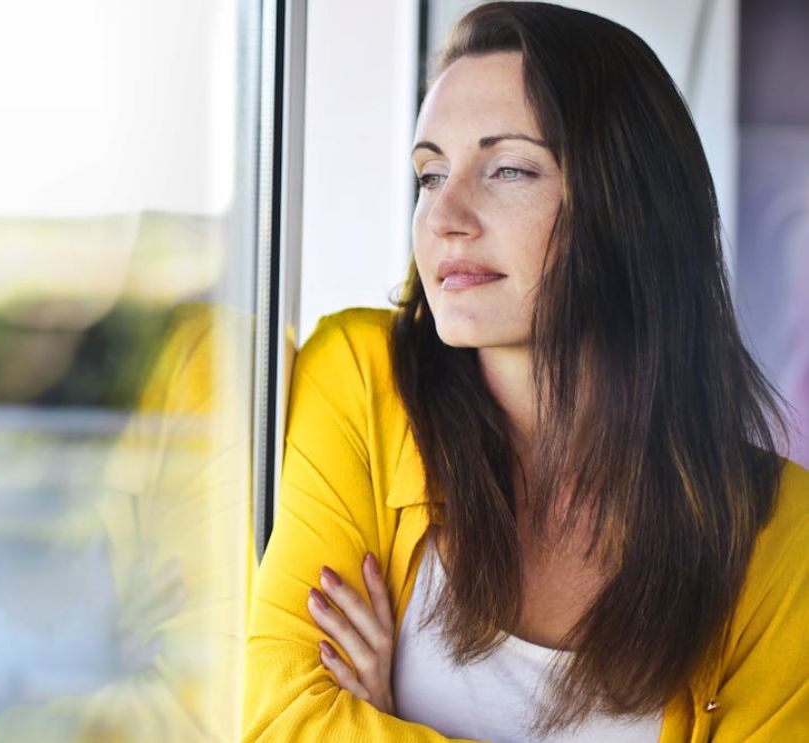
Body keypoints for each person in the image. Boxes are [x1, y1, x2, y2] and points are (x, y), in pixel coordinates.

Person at [243, 3, 809, 742]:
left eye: (507, 168)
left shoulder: (782, 535)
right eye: (429, 173)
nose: (444, 215)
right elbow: (284, 722)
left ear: (627, 204)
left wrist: (377, 723)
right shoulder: (359, 377)